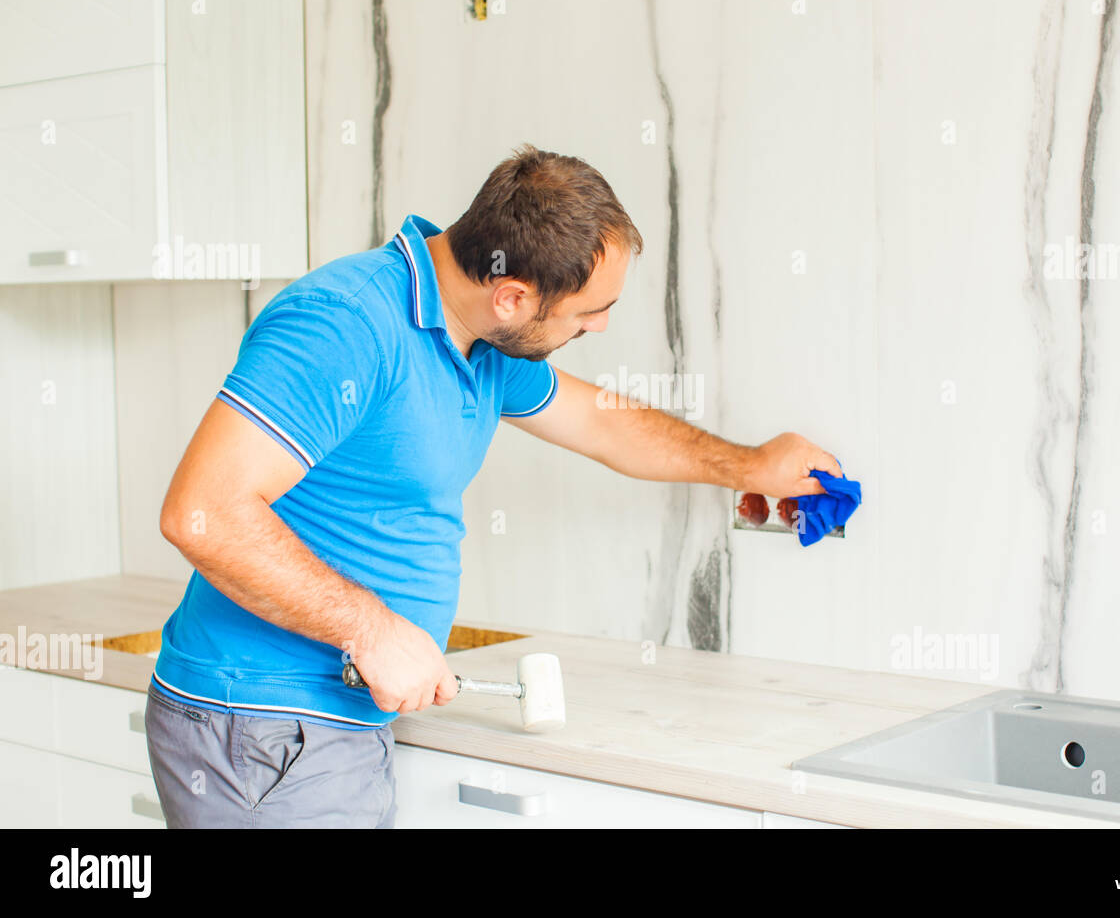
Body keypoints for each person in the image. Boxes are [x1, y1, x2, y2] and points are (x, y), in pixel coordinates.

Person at [145, 144, 842, 827]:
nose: (599, 326)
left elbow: (604, 425)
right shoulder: (346, 324)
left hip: (323, 721)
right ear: (511, 296)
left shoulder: (477, 338)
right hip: (262, 724)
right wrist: (371, 628)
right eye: (586, 312)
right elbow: (202, 511)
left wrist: (749, 464)